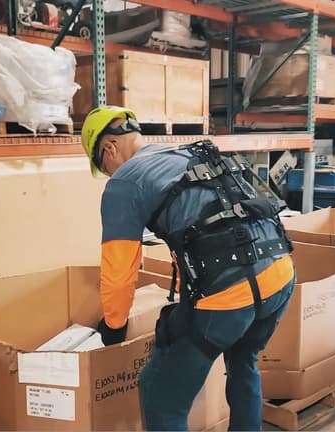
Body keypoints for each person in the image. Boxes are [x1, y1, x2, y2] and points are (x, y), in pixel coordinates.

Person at [81, 105, 295, 431]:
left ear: (109, 148)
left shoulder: (125, 181)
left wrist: (114, 327)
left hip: (230, 295)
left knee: (160, 394)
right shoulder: (187, 153)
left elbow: (119, 271)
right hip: (280, 276)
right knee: (243, 362)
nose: (109, 175)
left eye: (102, 167)